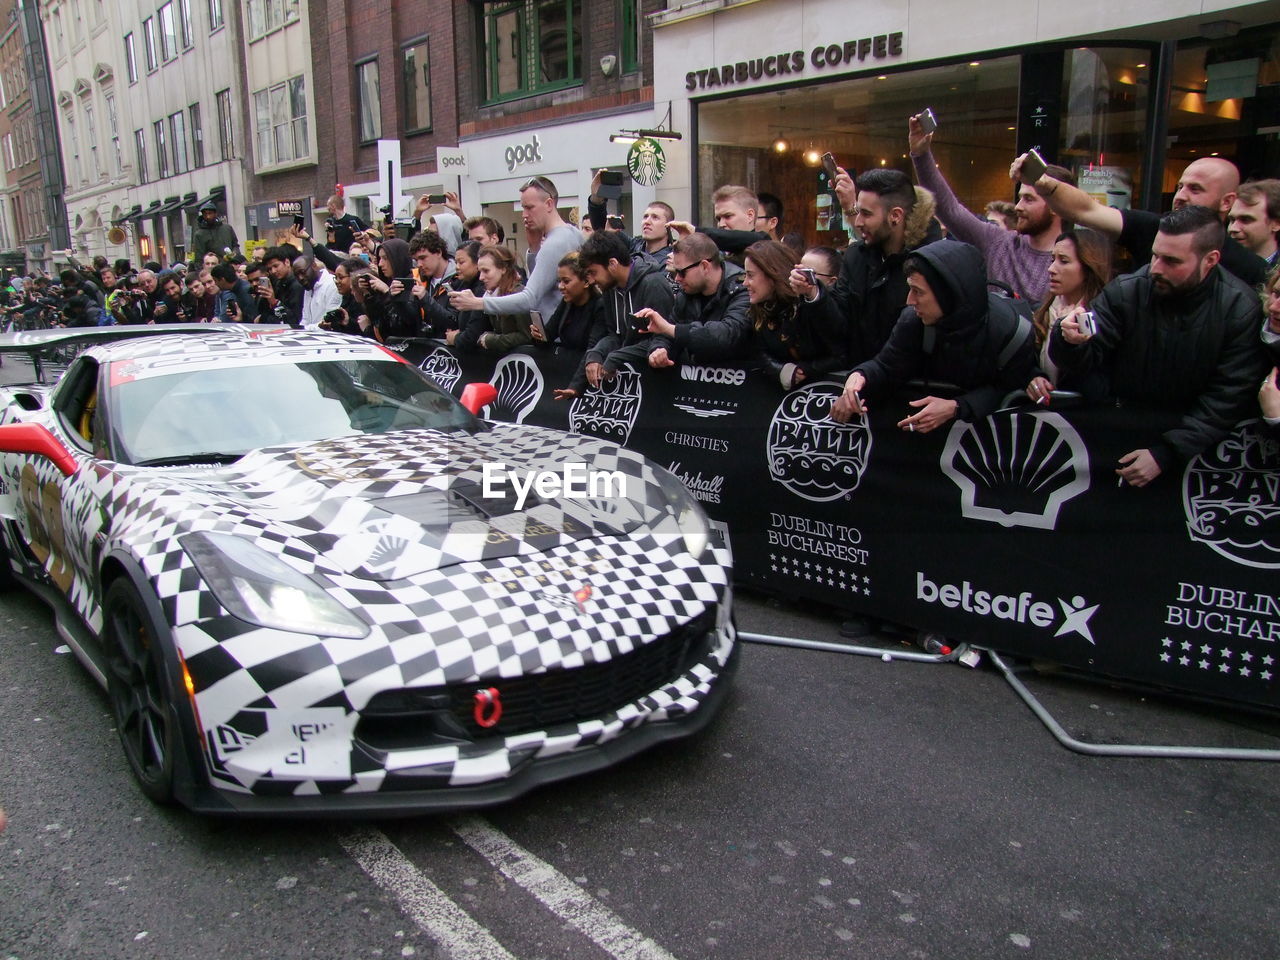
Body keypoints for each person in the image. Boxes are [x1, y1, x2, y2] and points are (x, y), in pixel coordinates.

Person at [1048, 206, 1268, 486]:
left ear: (1210, 259)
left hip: (1197, 454)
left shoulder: (1240, 309)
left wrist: (1170, 452)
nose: (1156, 268)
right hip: (1120, 431)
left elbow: (1226, 398)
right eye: (1155, 255)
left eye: (1172, 261)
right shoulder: (1127, 290)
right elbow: (1085, 360)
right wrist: (1069, 339)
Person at [830, 240, 1039, 431]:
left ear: (948, 293)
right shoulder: (914, 320)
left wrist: (957, 407)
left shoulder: (1011, 332)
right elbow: (888, 366)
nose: (910, 300)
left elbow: (1011, 386)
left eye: (918, 292)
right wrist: (860, 378)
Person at [1018, 154, 1268, 288]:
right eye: (1180, 186)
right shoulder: (1150, 228)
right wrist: (1042, 182)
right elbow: (1085, 210)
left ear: (1227, 202)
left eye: (1195, 189)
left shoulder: (1250, 270)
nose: (1181, 196)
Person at [911, 114, 1073, 304]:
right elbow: (949, 209)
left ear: (1055, 205)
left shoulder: (1074, 263)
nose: (1018, 207)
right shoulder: (999, 243)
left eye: (1029, 199)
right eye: (1020, 198)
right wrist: (921, 155)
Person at [817, 167, 942, 365]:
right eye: (857, 212)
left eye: (866, 214)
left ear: (895, 215)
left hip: (911, 387)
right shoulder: (856, 257)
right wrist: (815, 296)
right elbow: (839, 325)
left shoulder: (930, 264)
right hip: (858, 383)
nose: (857, 222)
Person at [448, 176, 581, 329]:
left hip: (557, 333)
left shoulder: (555, 243)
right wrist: (534, 247)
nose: (524, 214)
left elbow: (530, 298)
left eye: (529, 207)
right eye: (523, 208)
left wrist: (478, 303)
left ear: (549, 204)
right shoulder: (572, 233)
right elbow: (541, 283)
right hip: (559, 331)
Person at [741, 240, 846, 389]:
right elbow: (758, 350)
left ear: (772, 274)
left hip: (827, 394)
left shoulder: (808, 305)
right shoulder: (758, 309)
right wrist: (779, 370)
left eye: (750, 275)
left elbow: (841, 351)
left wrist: (805, 369)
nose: (745, 283)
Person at [1025, 229, 1113, 403]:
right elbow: (1024, 364)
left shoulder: (1102, 317)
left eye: (1063, 261)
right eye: (1052, 260)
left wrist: (1072, 342)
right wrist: (1033, 378)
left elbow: (1096, 386)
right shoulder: (1039, 312)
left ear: (1089, 268)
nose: (1051, 269)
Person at [637, 232, 750, 365]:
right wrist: (659, 350)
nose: (677, 278)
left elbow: (727, 334)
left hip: (737, 377)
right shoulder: (686, 293)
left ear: (704, 266)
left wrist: (669, 329)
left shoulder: (741, 288)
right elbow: (668, 332)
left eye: (681, 272)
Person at [577, 230, 676, 379]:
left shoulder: (653, 284)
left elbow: (664, 338)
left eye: (593, 272)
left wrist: (616, 357)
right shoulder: (610, 288)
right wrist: (596, 354)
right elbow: (615, 335)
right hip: (634, 376)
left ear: (613, 264)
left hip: (661, 379)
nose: (591, 281)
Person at [535, 252, 608, 399]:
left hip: (590, 387)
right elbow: (549, 335)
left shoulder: (600, 306)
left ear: (586, 281)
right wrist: (538, 336)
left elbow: (592, 349)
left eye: (566, 281)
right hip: (565, 377)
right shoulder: (567, 302)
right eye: (559, 281)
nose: (560, 287)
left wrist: (575, 387)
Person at [453, 245, 532, 353]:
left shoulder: (518, 295)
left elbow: (527, 337)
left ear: (503, 269)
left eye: (486, 271)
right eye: (480, 271)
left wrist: (490, 340)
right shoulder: (492, 294)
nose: (481, 277)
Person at [359, 239, 421, 339]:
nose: (380, 264)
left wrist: (387, 292)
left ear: (398, 258)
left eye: (385, 258)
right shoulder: (388, 282)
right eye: (379, 258)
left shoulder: (413, 282)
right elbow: (379, 321)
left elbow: (406, 324)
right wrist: (370, 293)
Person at [1227, 179, 1280, 272]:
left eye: (1245, 220)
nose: (1233, 228)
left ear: (1276, 224)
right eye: (1232, 220)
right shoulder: (1215, 265)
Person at [294, 256, 342, 330]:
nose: (300, 278)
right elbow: (305, 320)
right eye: (296, 276)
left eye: (302, 272)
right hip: (310, 337)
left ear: (314, 266)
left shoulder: (332, 284)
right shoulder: (309, 286)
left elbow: (328, 323)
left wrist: (304, 329)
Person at [262, 246, 304, 326]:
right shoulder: (278, 283)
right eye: (270, 269)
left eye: (276, 266)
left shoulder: (297, 285)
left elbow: (295, 319)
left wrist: (275, 302)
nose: (273, 271)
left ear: (287, 262)